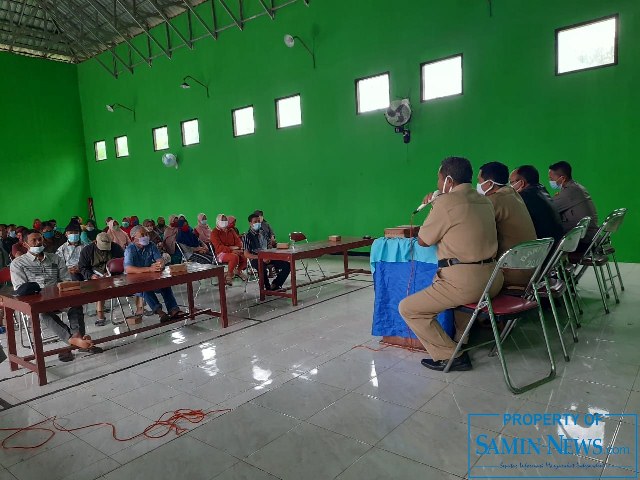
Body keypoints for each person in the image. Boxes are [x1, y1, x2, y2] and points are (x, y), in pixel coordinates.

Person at [399, 157, 503, 372]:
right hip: (493, 279)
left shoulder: (446, 202)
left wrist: (434, 205)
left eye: (438, 178)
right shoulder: (485, 200)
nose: (437, 183)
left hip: (466, 284)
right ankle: (461, 338)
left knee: (409, 308)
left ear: (447, 179)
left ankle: (451, 355)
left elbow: (423, 241)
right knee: (458, 298)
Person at [10, 230, 101, 361]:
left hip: (57, 297)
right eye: (33, 241)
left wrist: (61, 290)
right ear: (25, 244)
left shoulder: (55, 258)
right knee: (42, 313)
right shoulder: (18, 263)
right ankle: (74, 340)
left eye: (40, 239)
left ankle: (76, 337)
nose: (38, 242)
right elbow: (20, 289)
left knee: (76, 304)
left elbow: (66, 281)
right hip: (37, 302)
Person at [477, 162, 537, 288]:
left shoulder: (494, 201)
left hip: (513, 271)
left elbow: (474, 227)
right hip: (531, 265)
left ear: (489, 183)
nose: (477, 186)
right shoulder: (513, 193)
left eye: (479, 181)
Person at [124, 228, 182, 322]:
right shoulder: (130, 249)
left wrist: (159, 265)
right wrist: (149, 269)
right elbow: (128, 269)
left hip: (149, 277)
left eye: (146, 234)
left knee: (165, 284)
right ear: (134, 238)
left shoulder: (151, 245)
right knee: (145, 288)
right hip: (134, 281)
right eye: (142, 235)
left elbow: (160, 260)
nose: (146, 237)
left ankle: (173, 309)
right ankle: (159, 312)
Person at [548, 161, 599, 250]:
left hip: (583, 240)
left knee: (546, 241)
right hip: (590, 236)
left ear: (562, 178)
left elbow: (548, 209)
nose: (550, 181)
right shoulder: (576, 187)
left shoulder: (570, 192)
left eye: (551, 179)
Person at [79, 232, 124, 326]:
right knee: (100, 286)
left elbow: (122, 262)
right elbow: (82, 267)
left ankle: (139, 309)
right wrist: (91, 275)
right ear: (95, 242)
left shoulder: (116, 248)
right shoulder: (87, 251)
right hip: (95, 276)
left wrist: (113, 273)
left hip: (113, 275)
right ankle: (100, 315)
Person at [510, 166, 563, 244]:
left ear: (521, 183)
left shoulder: (523, 197)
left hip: (543, 248)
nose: (510, 186)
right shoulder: (541, 189)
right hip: (555, 245)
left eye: (511, 182)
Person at [244, 213, 290, 291]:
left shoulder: (263, 233)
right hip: (256, 258)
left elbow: (270, 245)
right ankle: (266, 288)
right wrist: (261, 258)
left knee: (287, 265)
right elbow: (246, 254)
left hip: (268, 256)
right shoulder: (247, 237)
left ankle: (276, 284)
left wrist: (276, 244)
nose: (257, 223)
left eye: (259, 221)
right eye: (255, 222)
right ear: (250, 223)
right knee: (261, 266)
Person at [210, 214, 248, 286]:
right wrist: (232, 249)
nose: (224, 222)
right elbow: (219, 247)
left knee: (245, 256)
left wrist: (239, 248)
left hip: (234, 251)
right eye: (222, 220)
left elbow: (238, 241)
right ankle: (229, 276)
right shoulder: (214, 232)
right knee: (234, 257)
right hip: (220, 254)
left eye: (225, 220)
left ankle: (237, 271)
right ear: (218, 221)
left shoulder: (231, 230)